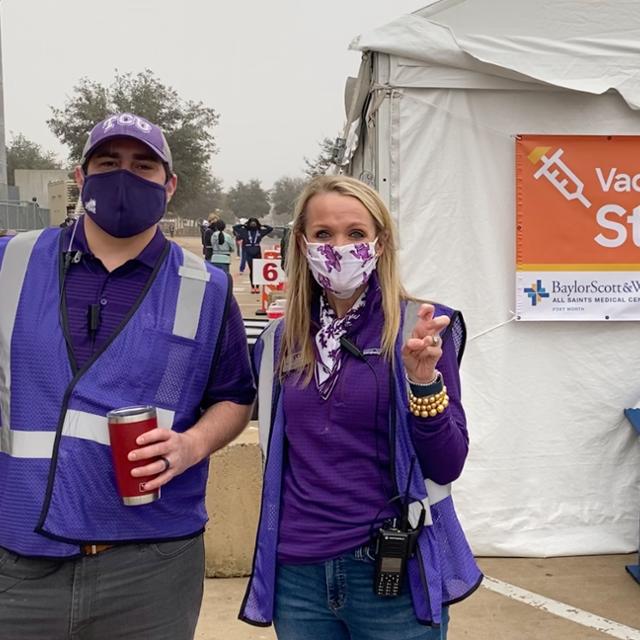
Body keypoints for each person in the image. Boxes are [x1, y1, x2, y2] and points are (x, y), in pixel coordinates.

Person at [0, 112, 256, 640]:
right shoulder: (10, 263)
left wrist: (190, 447)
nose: (124, 176)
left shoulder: (205, 288)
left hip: (149, 566)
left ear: (170, 184)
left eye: (143, 165)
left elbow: (234, 397)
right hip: (16, 559)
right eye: (108, 162)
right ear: (80, 176)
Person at [240, 176, 481, 638]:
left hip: (391, 571)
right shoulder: (276, 341)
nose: (339, 248)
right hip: (298, 575)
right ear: (302, 242)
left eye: (355, 234)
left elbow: (447, 464)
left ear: (381, 242)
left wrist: (423, 380)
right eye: (323, 234)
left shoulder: (420, 326)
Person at [233, 217, 273, 293]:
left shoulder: (260, 231)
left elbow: (270, 229)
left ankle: (257, 287)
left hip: (257, 251)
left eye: (254, 222)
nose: (253, 223)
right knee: (252, 270)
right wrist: (244, 225)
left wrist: (262, 225)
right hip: (248, 252)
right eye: (251, 222)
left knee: (257, 270)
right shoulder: (244, 231)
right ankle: (252, 286)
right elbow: (235, 227)